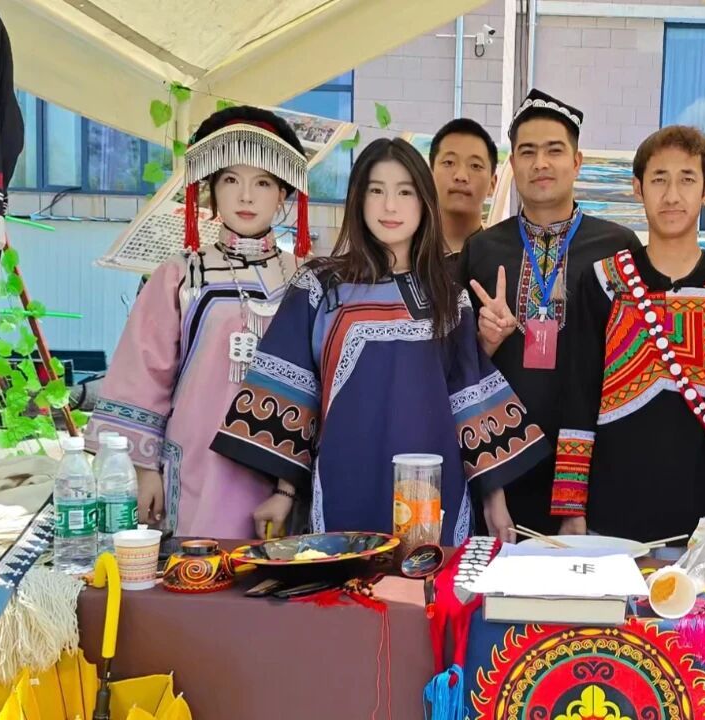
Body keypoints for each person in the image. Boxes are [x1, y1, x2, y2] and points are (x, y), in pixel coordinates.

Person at [212, 138, 547, 543]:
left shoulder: (448, 297)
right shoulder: (321, 287)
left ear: (424, 203)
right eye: (376, 190)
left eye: (405, 192)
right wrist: (284, 494)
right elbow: (295, 391)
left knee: (426, 578)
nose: (390, 206)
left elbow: (469, 399)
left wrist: (494, 500)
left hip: (434, 491)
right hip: (346, 483)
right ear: (358, 199)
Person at [86, 105, 311, 538]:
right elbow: (143, 374)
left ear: (283, 194)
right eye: (231, 180)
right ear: (211, 191)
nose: (246, 197)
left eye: (263, 183)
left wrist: (291, 484)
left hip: (283, 471)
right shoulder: (181, 274)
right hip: (197, 462)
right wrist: (144, 468)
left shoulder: (306, 278)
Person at [549, 126, 705, 542]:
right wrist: (571, 507)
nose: (672, 195)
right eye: (659, 179)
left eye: (687, 179)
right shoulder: (602, 281)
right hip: (613, 510)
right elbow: (578, 396)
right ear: (638, 188)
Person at [458, 89, 641, 535]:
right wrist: (483, 342)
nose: (540, 163)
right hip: (502, 466)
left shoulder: (619, 247)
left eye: (554, 150)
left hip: (595, 466)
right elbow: (458, 373)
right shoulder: (481, 250)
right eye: (528, 152)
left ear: (577, 162)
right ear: (513, 165)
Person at [430, 118, 498, 258]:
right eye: (449, 162)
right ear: (429, 176)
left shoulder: (505, 257)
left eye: (475, 166)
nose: (461, 176)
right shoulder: (403, 251)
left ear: (492, 184)